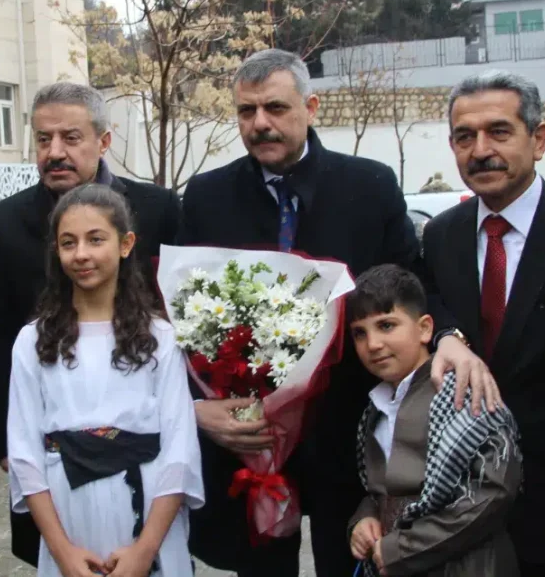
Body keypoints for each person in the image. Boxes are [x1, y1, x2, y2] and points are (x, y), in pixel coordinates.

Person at [177, 48, 499, 577]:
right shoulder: (209, 197)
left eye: (276, 108)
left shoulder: (367, 187)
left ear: (312, 106)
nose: (260, 124)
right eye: (247, 111)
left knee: (346, 562)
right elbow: (184, 318)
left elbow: (410, 280)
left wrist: (447, 336)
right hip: (251, 439)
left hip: (346, 428)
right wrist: (197, 406)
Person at [421, 71, 545, 577]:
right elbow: (435, 312)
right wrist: (448, 335)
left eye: (499, 131)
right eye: (464, 137)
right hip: (461, 509)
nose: (480, 149)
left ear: (539, 139)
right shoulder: (441, 236)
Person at [0, 81, 182, 565]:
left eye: (70, 138)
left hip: (147, 455)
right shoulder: (5, 223)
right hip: (50, 454)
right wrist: (2, 443)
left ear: (104, 141)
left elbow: (182, 312)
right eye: (43, 139)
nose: (55, 152)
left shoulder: (160, 210)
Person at [6, 183, 203, 577]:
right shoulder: (34, 341)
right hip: (70, 516)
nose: (81, 254)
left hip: (145, 515)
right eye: (68, 242)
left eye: (95, 239)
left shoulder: (159, 338)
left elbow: (179, 452)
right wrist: (62, 552)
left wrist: (145, 550)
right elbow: (25, 456)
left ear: (125, 243)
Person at [346, 264, 521, 577]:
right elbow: (382, 491)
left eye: (387, 325)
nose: (372, 344)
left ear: (425, 328)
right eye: (360, 333)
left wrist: (401, 549)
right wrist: (364, 520)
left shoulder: (463, 388)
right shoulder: (374, 407)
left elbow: (492, 492)